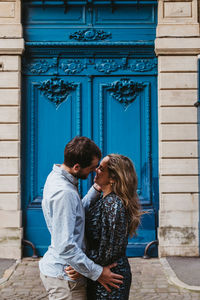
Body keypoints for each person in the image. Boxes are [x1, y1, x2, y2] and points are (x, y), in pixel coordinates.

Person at [39, 137, 123, 300]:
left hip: (66, 271)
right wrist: (98, 273)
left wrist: (96, 188)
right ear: (77, 167)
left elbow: (75, 212)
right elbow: (66, 246)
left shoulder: (57, 176)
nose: (95, 171)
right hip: (66, 279)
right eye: (92, 168)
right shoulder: (65, 193)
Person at [66, 154, 141, 300]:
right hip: (102, 274)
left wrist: (82, 268)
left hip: (111, 276)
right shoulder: (104, 199)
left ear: (112, 178)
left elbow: (109, 250)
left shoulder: (113, 204)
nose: (96, 170)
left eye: (101, 168)